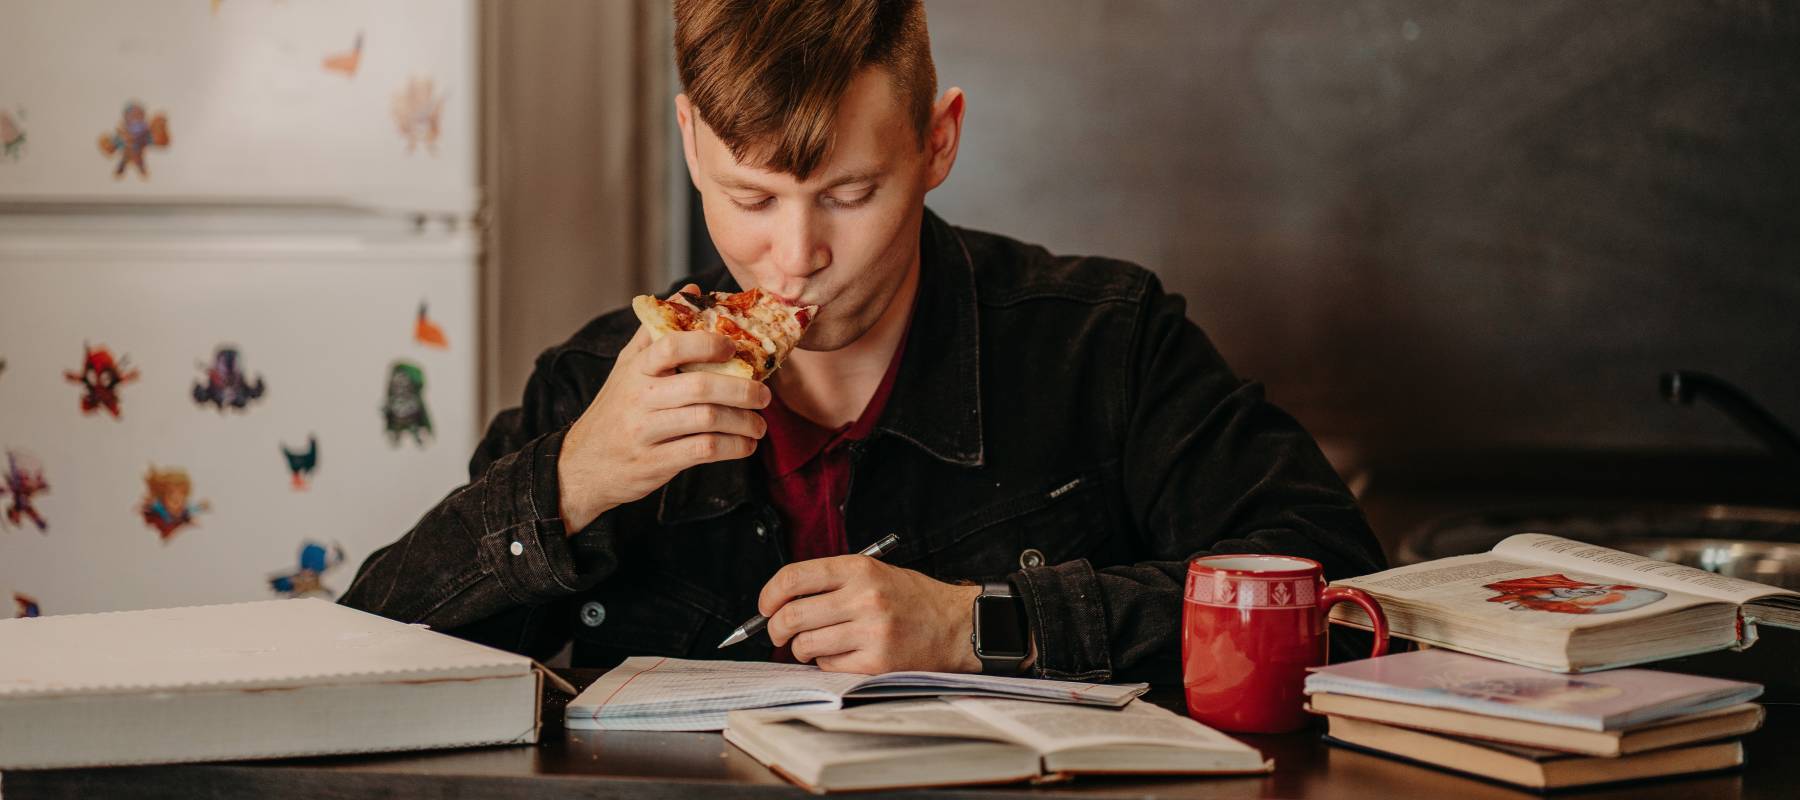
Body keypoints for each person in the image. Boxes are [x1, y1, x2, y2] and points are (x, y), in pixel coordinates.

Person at [341, 0, 1385, 683]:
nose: (793, 256)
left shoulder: (1105, 343)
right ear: (690, 142)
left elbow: (1345, 604)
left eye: (851, 192)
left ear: (940, 141)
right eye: (749, 196)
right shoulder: (590, 382)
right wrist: (569, 482)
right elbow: (367, 676)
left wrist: (983, 626)